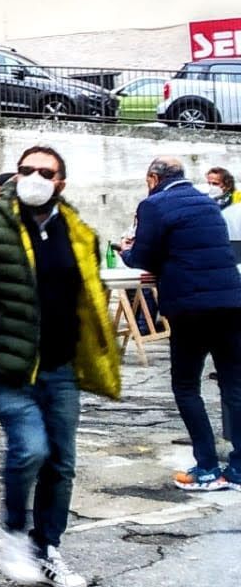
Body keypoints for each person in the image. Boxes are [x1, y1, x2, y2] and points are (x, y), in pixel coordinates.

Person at [0, 145, 120, 587]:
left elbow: (89, 293)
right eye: (27, 170)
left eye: (46, 172)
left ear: (61, 182)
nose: (35, 178)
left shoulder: (77, 232)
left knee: (61, 462)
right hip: (6, 366)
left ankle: (47, 548)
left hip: (60, 367)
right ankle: (13, 533)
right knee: (30, 449)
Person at [120, 157, 241, 492]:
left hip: (190, 306)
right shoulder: (208, 202)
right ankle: (238, 468)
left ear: (153, 178)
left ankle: (206, 467)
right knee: (234, 385)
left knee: (187, 386)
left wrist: (125, 250)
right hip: (230, 301)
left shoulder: (154, 205)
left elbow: (143, 257)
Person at [205, 166, 241, 263]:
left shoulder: (238, 198)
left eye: (215, 183)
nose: (211, 186)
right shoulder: (207, 199)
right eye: (209, 183)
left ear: (227, 184)